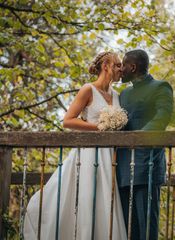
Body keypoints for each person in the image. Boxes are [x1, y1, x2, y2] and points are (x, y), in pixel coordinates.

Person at [23, 51, 127, 239]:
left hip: (110, 156)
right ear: (106, 66)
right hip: (88, 155)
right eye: (118, 65)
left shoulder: (117, 95)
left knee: (107, 201)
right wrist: (100, 127)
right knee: (87, 198)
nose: (122, 69)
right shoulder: (88, 90)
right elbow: (68, 121)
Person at [117, 49, 174, 240]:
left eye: (123, 65)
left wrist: (138, 138)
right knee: (127, 228)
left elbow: (162, 117)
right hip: (122, 168)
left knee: (147, 226)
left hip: (147, 165)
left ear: (132, 67)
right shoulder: (123, 94)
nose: (121, 70)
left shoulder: (161, 87)